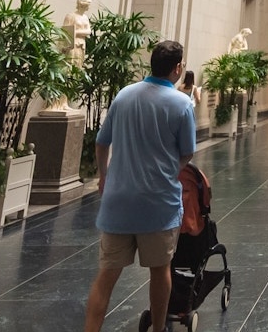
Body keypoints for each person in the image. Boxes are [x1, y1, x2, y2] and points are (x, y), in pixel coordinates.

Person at [84, 41, 197, 332]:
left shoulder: (124, 95)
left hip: (118, 201)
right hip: (157, 203)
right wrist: (170, 171)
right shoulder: (182, 103)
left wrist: (104, 176)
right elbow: (187, 152)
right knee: (160, 271)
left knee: (106, 275)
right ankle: (158, 329)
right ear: (177, 68)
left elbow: (102, 142)